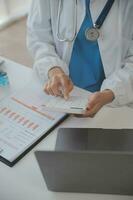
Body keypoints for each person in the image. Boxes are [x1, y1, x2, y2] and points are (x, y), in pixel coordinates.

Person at [27, 0, 133, 117]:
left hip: (116, 98)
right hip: (59, 94)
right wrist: (53, 68)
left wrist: (112, 92)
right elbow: (38, 37)